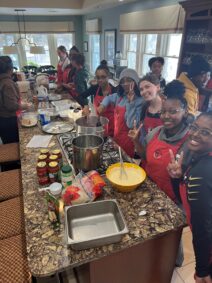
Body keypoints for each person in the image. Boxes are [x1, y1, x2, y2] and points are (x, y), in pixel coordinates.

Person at [167, 112, 212, 283]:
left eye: (205, 132)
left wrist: (201, 270)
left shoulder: (202, 173)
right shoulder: (200, 158)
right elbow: (187, 200)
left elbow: (202, 228)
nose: (195, 134)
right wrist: (177, 178)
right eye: (194, 128)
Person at [128, 80, 189, 202]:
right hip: (147, 191)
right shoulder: (155, 132)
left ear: (185, 112)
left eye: (173, 112)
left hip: (171, 202)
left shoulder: (191, 143)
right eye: (163, 112)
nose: (166, 116)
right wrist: (136, 141)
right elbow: (145, 156)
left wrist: (180, 176)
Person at [98, 68, 143, 157]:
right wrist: (103, 105)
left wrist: (131, 103)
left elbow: (131, 124)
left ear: (135, 82)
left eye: (129, 80)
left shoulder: (140, 101)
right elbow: (109, 98)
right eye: (123, 81)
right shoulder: (120, 97)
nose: (125, 84)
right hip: (117, 137)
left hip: (129, 141)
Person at [78, 61, 117, 136]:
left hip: (113, 127)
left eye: (103, 77)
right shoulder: (95, 88)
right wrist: (85, 105)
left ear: (108, 76)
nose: (100, 80)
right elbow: (81, 96)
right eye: (98, 77)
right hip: (99, 125)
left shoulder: (115, 90)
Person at [0, 56, 31, 143]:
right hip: (8, 122)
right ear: (10, 68)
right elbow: (11, 106)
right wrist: (25, 106)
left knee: (7, 142)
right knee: (15, 144)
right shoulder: (7, 83)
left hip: (3, 121)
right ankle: (12, 156)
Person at [139, 73, 163, 143]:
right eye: (141, 89)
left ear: (158, 87)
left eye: (147, 87)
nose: (144, 91)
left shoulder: (167, 108)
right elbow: (142, 128)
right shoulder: (144, 106)